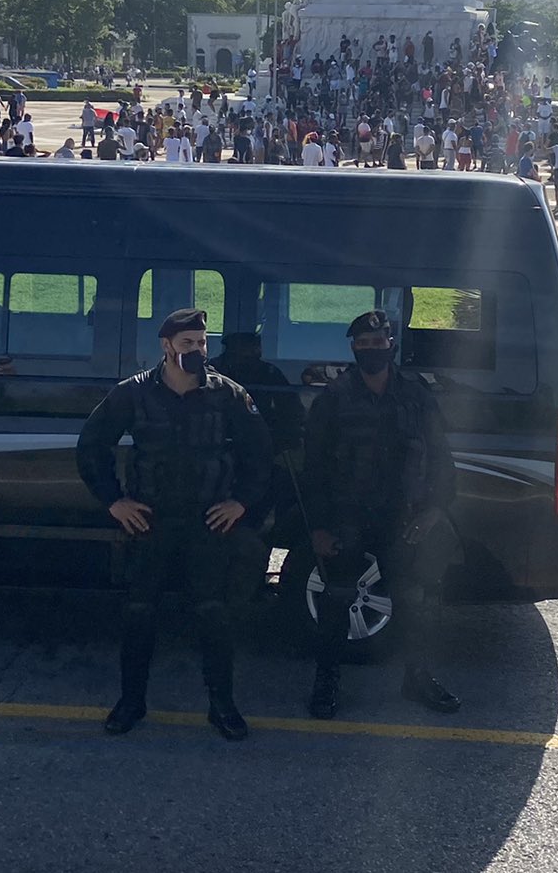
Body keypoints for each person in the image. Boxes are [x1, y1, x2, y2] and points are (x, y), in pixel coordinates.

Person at [74, 307, 272, 741]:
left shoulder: (228, 394)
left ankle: (222, 706)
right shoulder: (134, 393)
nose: (197, 351)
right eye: (188, 345)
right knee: (139, 614)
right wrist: (114, 501)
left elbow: (261, 456)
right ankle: (131, 702)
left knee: (214, 616)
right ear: (166, 347)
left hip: (208, 522)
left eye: (202, 344)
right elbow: (91, 446)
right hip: (150, 522)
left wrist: (240, 503)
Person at [301, 310, 461, 718]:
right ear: (354, 349)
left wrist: (436, 509)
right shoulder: (333, 399)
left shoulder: (416, 396)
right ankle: (326, 680)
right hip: (346, 517)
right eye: (364, 345)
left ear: (391, 345)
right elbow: (314, 469)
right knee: (337, 600)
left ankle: (417, 677)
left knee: (413, 598)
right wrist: (318, 527)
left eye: (379, 343)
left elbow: (441, 458)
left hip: (402, 517)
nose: (373, 350)